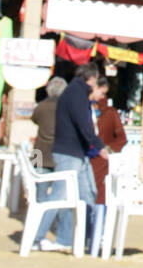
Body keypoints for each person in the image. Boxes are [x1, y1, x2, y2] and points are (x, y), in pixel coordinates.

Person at [34, 62, 110, 253]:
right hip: (69, 153)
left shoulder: (73, 93)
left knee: (87, 195)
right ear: (91, 77)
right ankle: (37, 237)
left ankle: (83, 239)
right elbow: (84, 126)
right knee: (59, 196)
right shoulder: (76, 94)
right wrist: (100, 146)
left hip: (69, 153)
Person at [90, 75, 127, 206]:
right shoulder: (85, 108)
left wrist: (106, 150)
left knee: (99, 194)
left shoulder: (110, 112)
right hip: (89, 159)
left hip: (102, 161)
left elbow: (122, 138)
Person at [31, 76, 66, 171]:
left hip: (39, 152)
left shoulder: (41, 106)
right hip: (58, 153)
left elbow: (34, 119)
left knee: (38, 184)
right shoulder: (66, 108)